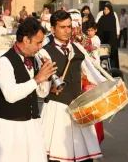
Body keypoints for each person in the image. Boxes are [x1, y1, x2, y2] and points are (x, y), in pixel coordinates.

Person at [0, 18, 56, 162]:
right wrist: (37, 79)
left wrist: (46, 79)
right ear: (26, 40)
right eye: (38, 42)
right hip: (10, 127)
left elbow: (41, 93)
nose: (40, 47)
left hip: (31, 125)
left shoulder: (35, 59)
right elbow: (11, 95)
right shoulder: (4, 61)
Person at [41, 10, 107, 162]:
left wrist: (107, 85)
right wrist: (48, 88)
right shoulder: (45, 51)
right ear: (52, 29)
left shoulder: (77, 47)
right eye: (62, 27)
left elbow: (92, 71)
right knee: (57, 155)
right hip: (57, 107)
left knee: (83, 155)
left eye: (69, 27)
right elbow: (42, 80)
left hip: (78, 106)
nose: (67, 31)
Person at [96, 4, 120, 69]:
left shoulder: (113, 16)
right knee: (103, 54)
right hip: (103, 39)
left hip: (111, 39)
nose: (106, 11)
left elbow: (117, 25)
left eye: (107, 9)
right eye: (105, 9)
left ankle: (113, 68)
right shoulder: (102, 17)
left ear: (110, 10)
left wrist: (117, 33)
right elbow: (97, 26)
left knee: (112, 54)